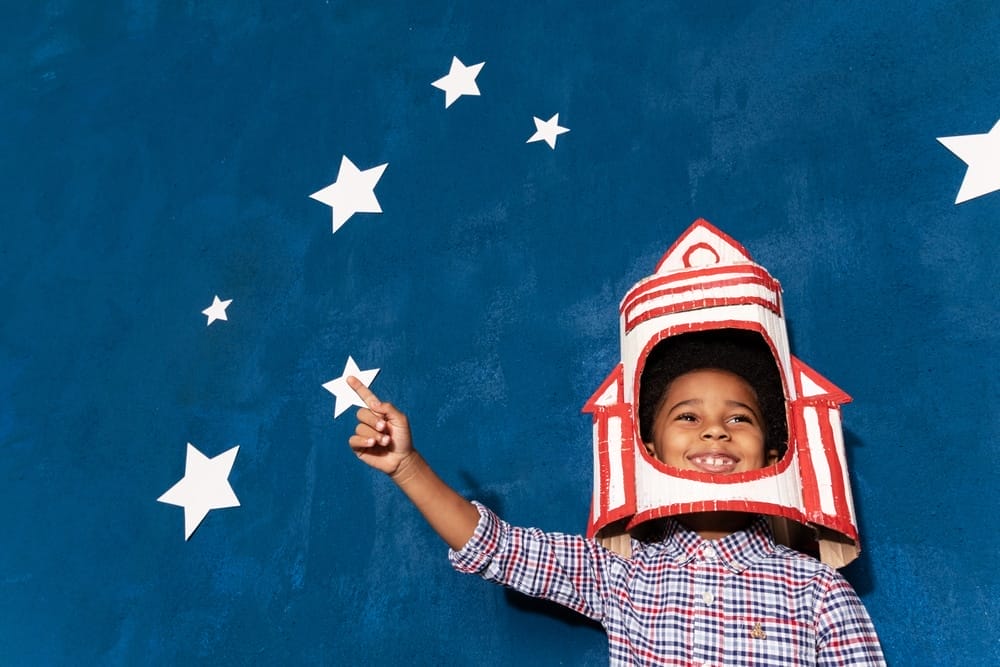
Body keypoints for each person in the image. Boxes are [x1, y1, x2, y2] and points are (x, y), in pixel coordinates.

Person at [345, 331, 886, 666]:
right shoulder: (623, 574)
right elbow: (498, 549)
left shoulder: (818, 590)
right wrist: (408, 467)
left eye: (739, 419)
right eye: (689, 417)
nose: (715, 432)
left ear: (773, 456)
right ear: (650, 451)